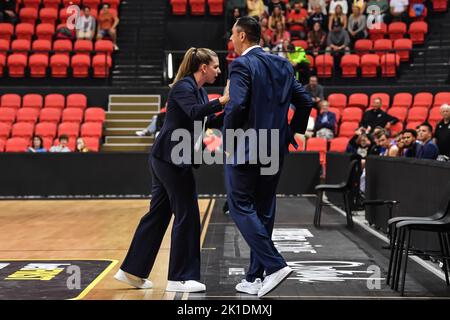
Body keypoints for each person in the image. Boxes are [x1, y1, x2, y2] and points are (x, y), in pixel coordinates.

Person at [115, 47, 229, 293]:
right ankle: (180, 276)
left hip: (167, 159)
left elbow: (205, 120)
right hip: (171, 161)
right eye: (216, 66)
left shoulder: (198, 91)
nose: (219, 71)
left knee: (157, 216)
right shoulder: (182, 87)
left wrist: (231, 110)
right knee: (187, 215)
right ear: (203, 68)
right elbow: (195, 113)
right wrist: (222, 101)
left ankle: (131, 271)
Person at [225, 16, 313, 297]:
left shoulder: (240, 64)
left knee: (238, 204)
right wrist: (292, 131)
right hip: (276, 146)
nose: (230, 39)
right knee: (263, 209)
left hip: (248, 145)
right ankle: (253, 278)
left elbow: (237, 104)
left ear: (241, 36)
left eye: (232, 34)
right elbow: (305, 101)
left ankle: (274, 265)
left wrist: (230, 136)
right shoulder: (283, 63)